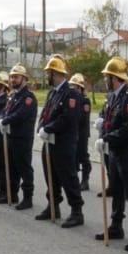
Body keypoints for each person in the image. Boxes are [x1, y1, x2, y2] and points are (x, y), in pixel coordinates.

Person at [95, 56, 128, 250]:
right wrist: (100, 122)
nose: (105, 80)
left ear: (114, 78)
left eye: (107, 77)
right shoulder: (111, 96)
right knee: (116, 189)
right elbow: (105, 114)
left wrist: (107, 138)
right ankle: (116, 225)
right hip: (114, 150)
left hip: (127, 150)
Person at [36, 54, 84, 228]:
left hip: (63, 143)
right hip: (49, 141)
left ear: (56, 74)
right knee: (51, 176)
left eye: (49, 73)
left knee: (68, 177)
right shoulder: (52, 93)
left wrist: (48, 128)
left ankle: (77, 211)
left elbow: (68, 119)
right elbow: (45, 113)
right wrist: (41, 127)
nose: (47, 76)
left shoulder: (71, 94)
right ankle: (53, 206)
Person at [0, 63, 37, 210]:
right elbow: (5, 110)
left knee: (24, 167)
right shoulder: (13, 96)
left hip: (22, 138)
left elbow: (20, 115)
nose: (13, 80)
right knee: (12, 166)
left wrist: (6, 120)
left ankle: (28, 197)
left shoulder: (28, 97)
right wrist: (1, 119)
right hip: (11, 136)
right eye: (12, 77)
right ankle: (12, 193)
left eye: (16, 77)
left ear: (24, 79)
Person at [69, 73, 92, 191]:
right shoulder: (72, 99)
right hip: (73, 132)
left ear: (80, 88)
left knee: (83, 155)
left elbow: (83, 117)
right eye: (71, 86)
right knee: (74, 156)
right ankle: (75, 179)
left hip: (82, 132)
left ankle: (85, 179)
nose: (72, 88)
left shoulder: (85, 101)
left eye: (75, 86)